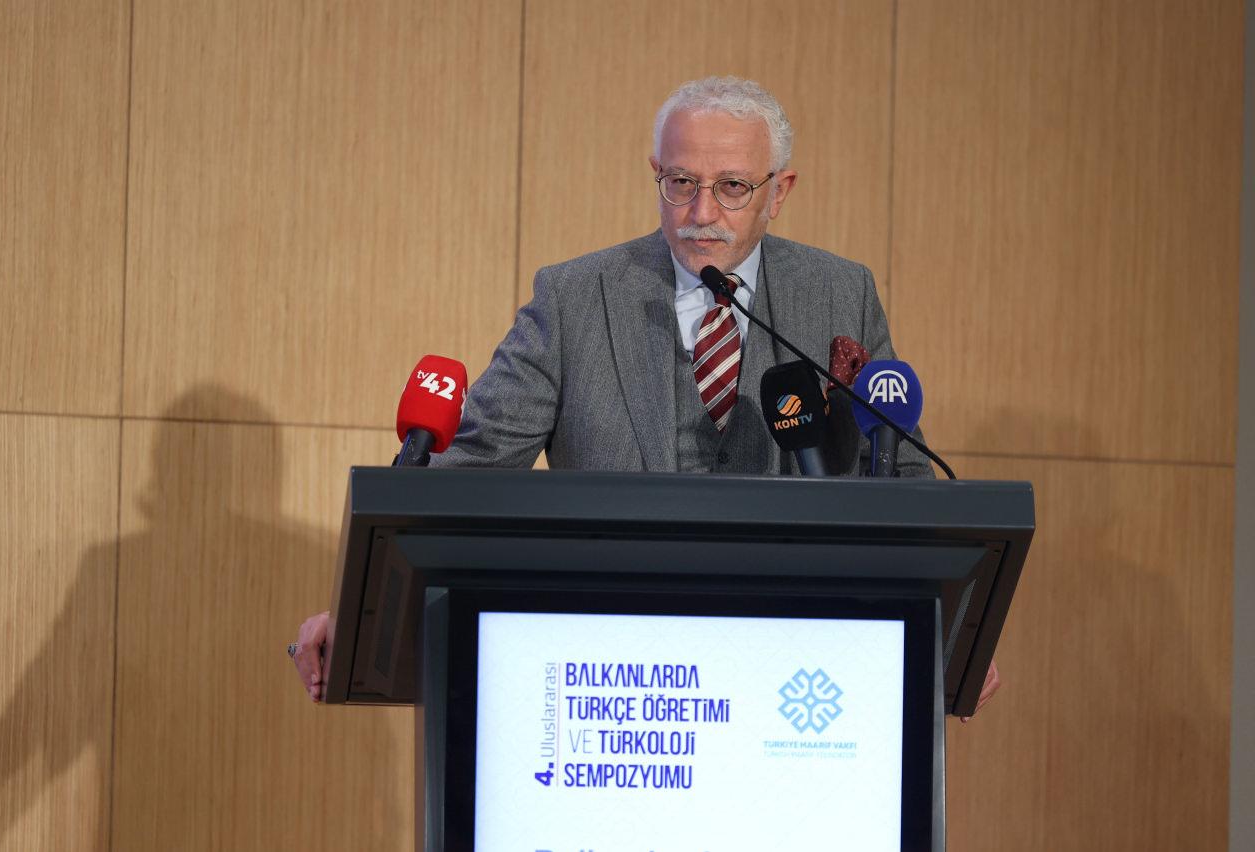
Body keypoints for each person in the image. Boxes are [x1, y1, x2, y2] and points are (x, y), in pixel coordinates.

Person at [291, 76, 1000, 712]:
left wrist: (949, 630)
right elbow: (467, 470)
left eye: (733, 186)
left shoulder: (841, 292)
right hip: (620, 679)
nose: (702, 211)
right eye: (680, 181)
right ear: (655, 173)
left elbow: (902, 478)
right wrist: (359, 609)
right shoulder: (575, 298)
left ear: (779, 192)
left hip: (792, 675)